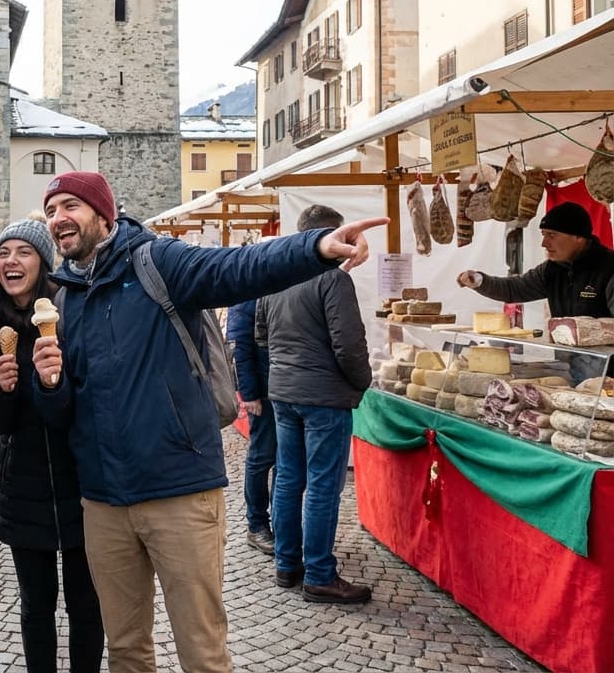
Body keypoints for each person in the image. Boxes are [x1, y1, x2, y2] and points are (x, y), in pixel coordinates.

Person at [30, 171, 385, 673]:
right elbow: (67, 408)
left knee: (201, 648)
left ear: (103, 213)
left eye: (71, 206)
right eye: (50, 211)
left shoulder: (158, 261)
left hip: (179, 489)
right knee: (126, 648)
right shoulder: (65, 298)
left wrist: (315, 248)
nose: (59, 219)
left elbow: (236, 267)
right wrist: (49, 384)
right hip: (104, 501)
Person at [0, 217, 104, 673]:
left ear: (43, 262)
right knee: (36, 608)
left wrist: (52, 385)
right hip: (23, 491)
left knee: (86, 607)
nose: (10, 261)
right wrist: (3, 390)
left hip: (79, 486)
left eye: (23, 252)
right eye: (3, 254)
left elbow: (78, 411)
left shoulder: (69, 314)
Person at [255, 205, 374, 605]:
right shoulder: (332, 280)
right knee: (322, 484)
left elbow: (261, 337)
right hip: (323, 395)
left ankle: (288, 564)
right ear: (333, 236)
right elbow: (349, 345)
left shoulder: (276, 280)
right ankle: (320, 573)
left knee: (289, 477)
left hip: (285, 391)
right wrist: (362, 382)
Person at [457, 201, 614, 317]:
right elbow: (514, 289)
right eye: (543, 234)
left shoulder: (608, 268)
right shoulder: (552, 269)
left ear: (579, 237)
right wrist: (479, 281)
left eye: (552, 235)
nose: (544, 243)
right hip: (568, 360)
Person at [226, 297, 275, 555]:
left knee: (284, 460)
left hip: (283, 388)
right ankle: (256, 525)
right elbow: (238, 348)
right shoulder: (246, 291)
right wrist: (249, 394)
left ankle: (279, 523)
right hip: (263, 392)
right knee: (261, 457)